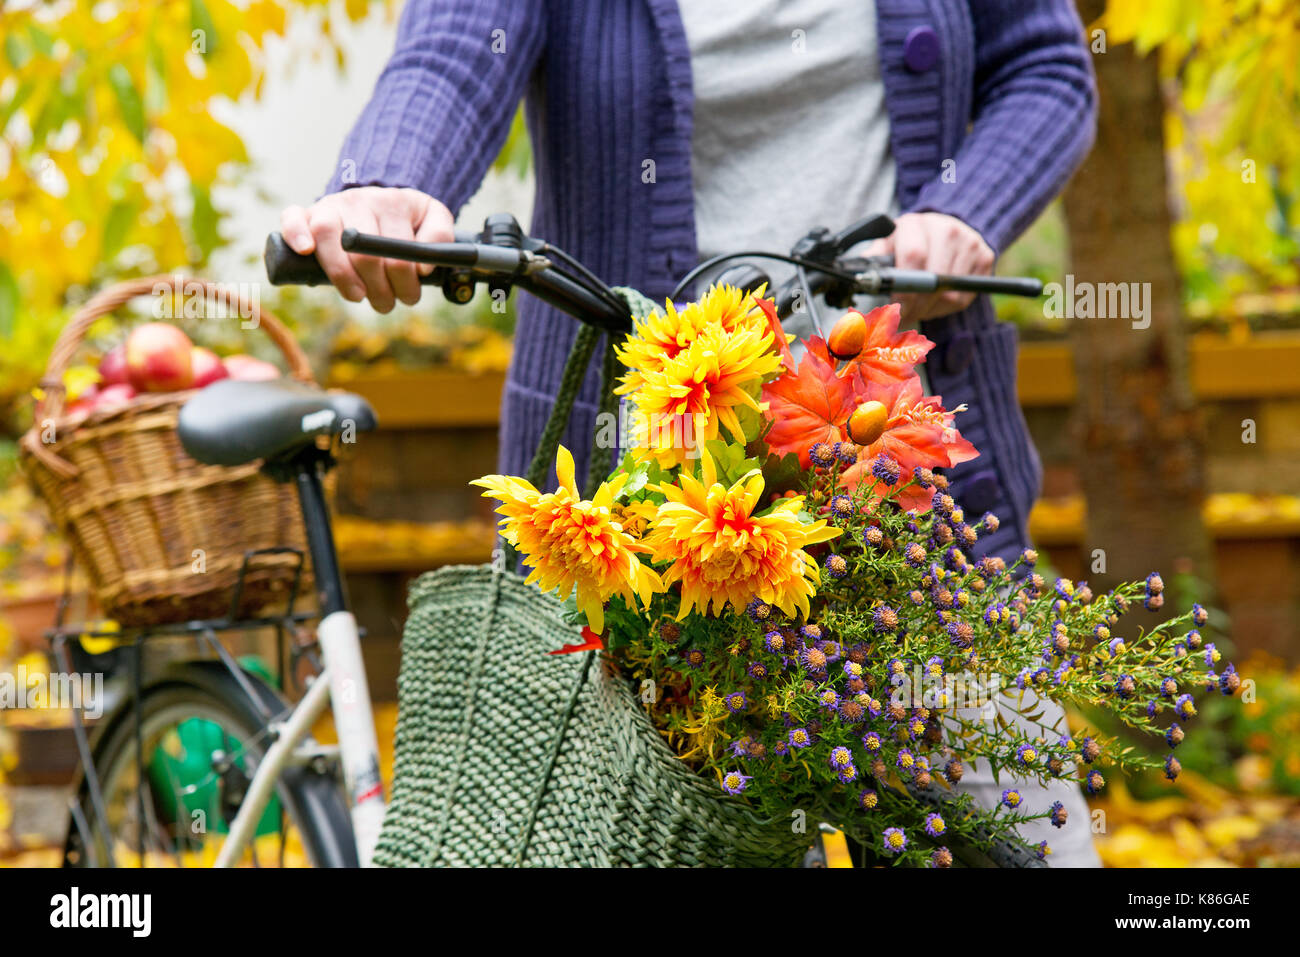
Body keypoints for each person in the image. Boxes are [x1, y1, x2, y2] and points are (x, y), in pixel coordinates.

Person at [281, 0, 1101, 866]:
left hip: (900, 486)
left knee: (1023, 831)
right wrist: (389, 180)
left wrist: (966, 212)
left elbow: (1043, 64)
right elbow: (455, 50)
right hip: (646, 496)